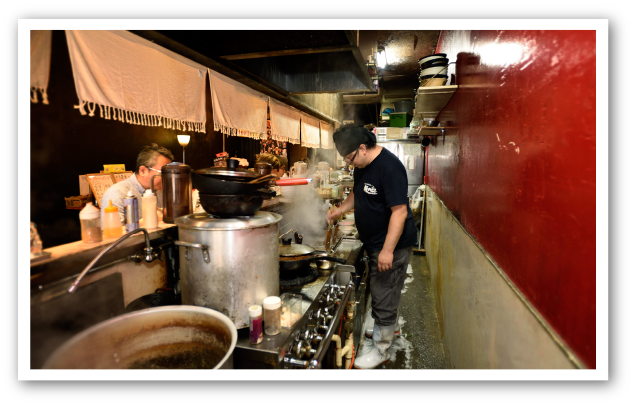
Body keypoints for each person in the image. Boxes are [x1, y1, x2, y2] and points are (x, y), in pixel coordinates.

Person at [326, 124, 417, 369]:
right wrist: (339, 211)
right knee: (387, 290)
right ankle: (391, 329)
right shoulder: (362, 166)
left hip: (391, 244)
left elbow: (399, 212)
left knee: (383, 292)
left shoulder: (389, 168)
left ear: (363, 148)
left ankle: (381, 350)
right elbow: (358, 193)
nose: (349, 162)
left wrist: (387, 251)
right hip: (375, 241)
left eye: (350, 157)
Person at [100, 143, 174, 228]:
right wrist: (148, 220)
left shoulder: (160, 191)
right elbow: (112, 235)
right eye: (163, 173)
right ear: (143, 170)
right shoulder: (117, 193)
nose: (168, 178)